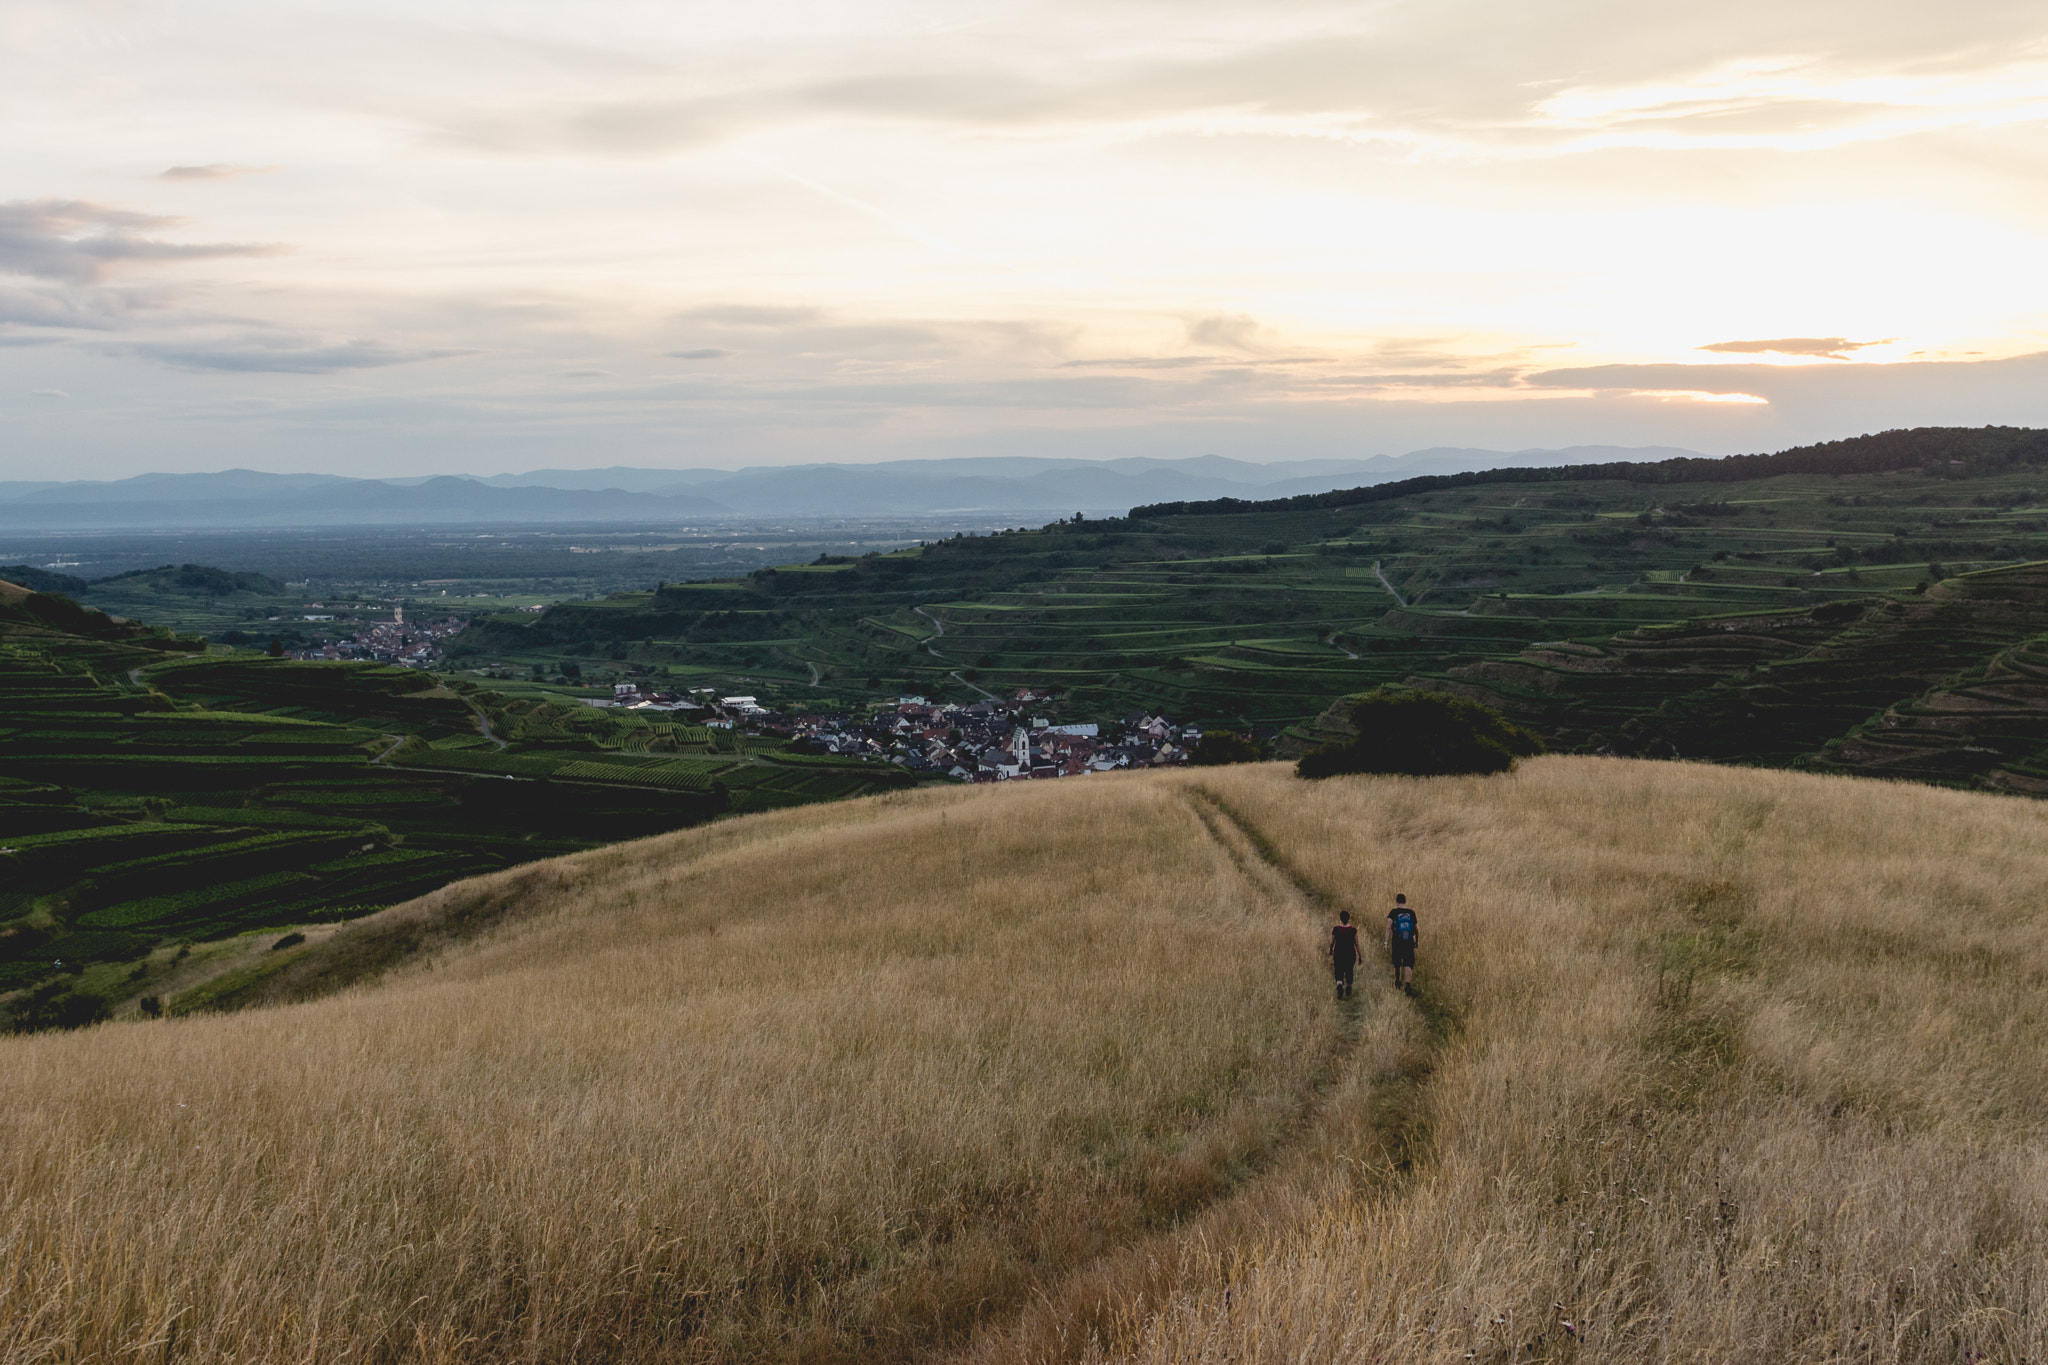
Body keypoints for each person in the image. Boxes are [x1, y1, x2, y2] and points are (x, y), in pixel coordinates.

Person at [1386, 893, 1418, 993]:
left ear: (1397, 901)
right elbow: (1417, 929)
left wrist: (1386, 942)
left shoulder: (1393, 912)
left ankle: (1398, 981)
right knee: (1408, 963)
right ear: (1405, 901)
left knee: (1397, 963)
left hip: (1397, 941)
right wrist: (1417, 940)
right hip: (1408, 942)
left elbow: (1388, 927)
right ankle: (1408, 985)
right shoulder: (1411, 912)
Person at [1329, 910, 1360, 999]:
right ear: (1348, 918)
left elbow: (1332, 942)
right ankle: (1349, 986)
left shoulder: (1336, 929)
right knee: (1349, 970)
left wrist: (1330, 951)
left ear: (1340, 918)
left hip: (1338, 953)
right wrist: (1360, 955)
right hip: (1350, 954)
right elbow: (1357, 944)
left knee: (1338, 970)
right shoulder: (1353, 930)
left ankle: (1339, 985)